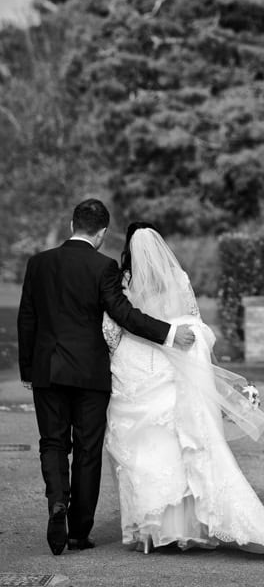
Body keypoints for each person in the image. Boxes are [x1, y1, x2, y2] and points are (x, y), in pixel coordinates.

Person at [103, 222, 264, 558]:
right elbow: (196, 324)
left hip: (139, 366)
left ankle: (156, 532)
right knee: (181, 447)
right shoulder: (179, 279)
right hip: (177, 362)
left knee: (149, 450)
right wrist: (208, 367)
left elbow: (115, 327)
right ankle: (187, 528)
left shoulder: (124, 282)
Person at [17, 199, 196, 556]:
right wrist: (169, 333)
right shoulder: (104, 267)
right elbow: (123, 314)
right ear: (101, 234)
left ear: (72, 225)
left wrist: (28, 371)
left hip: (48, 371)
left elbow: (27, 319)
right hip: (90, 373)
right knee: (87, 451)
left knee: (52, 443)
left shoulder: (38, 263)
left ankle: (57, 502)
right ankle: (78, 532)